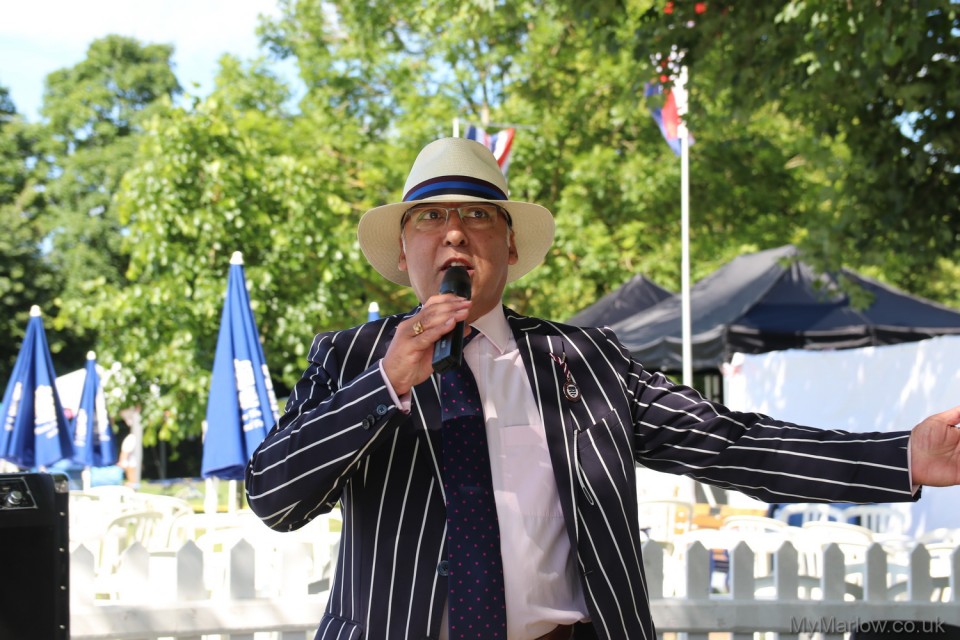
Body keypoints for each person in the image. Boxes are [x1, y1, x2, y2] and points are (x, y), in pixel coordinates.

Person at [245, 137, 960, 640]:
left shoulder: (587, 362)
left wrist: (903, 456)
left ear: (511, 247)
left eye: (477, 215)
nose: (454, 234)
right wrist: (386, 383)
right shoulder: (349, 358)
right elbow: (274, 497)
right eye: (430, 218)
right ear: (404, 253)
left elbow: (731, 444)